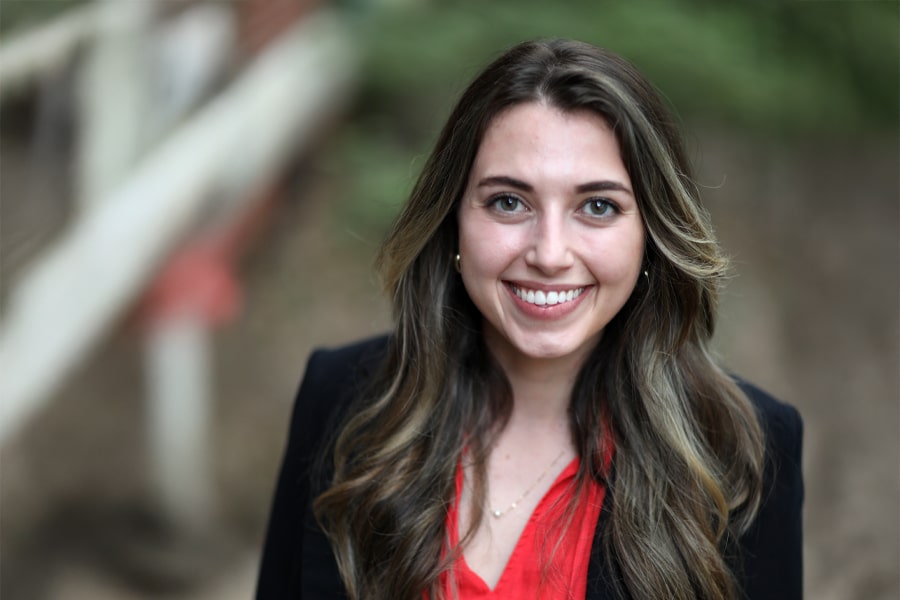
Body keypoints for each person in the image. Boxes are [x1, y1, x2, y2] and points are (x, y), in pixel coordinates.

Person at [256, 39, 803, 600]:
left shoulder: (743, 447)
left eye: (598, 206)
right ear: (453, 223)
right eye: (509, 202)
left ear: (650, 238)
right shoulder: (342, 400)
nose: (549, 253)